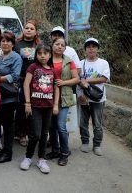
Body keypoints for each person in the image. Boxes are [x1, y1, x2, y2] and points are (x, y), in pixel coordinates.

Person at [20, 44, 59, 174]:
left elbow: (56, 88)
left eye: (45, 53)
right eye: (40, 53)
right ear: (36, 55)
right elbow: (26, 84)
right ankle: (28, 157)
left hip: (48, 107)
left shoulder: (53, 70)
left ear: (50, 55)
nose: (43, 56)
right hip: (35, 106)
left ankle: (41, 159)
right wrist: (27, 103)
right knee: (35, 134)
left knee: (44, 134)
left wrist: (55, 105)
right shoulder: (33, 67)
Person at [46, 37, 79, 166]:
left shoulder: (69, 61)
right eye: (57, 44)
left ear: (65, 48)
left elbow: (76, 79)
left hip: (63, 98)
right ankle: (55, 150)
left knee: (61, 126)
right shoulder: (47, 59)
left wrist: (63, 82)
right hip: (48, 97)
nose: (59, 46)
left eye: (62, 45)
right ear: (52, 45)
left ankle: (64, 152)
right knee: (51, 126)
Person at [0, 31, 22, 163]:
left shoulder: (16, 57)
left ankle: (8, 153)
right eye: (3, 41)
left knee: (9, 125)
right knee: (1, 123)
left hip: (9, 97)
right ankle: (4, 149)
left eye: (8, 41)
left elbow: (15, 76)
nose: (5, 43)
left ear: (12, 43)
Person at [77, 38, 110, 156]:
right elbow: (77, 79)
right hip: (84, 98)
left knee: (97, 124)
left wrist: (87, 81)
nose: (91, 48)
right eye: (88, 46)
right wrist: (80, 95)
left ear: (97, 49)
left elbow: (104, 78)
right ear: (85, 49)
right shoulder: (80, 63)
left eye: (94, 46)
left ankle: (97, 145)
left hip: (98, 98)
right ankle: (85, 142)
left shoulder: (103, 63)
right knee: (83, 123)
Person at [14, 19, 42, 146]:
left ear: (36, 32)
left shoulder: (39, 45)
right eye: (27, 28)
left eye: (32, 28)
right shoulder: (17, 43)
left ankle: (32, 132)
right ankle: (21, 134)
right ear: (23, 30)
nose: (29, 30)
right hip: (20, 80)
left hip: (35, 80)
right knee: (21, 107)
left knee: (34, 107)